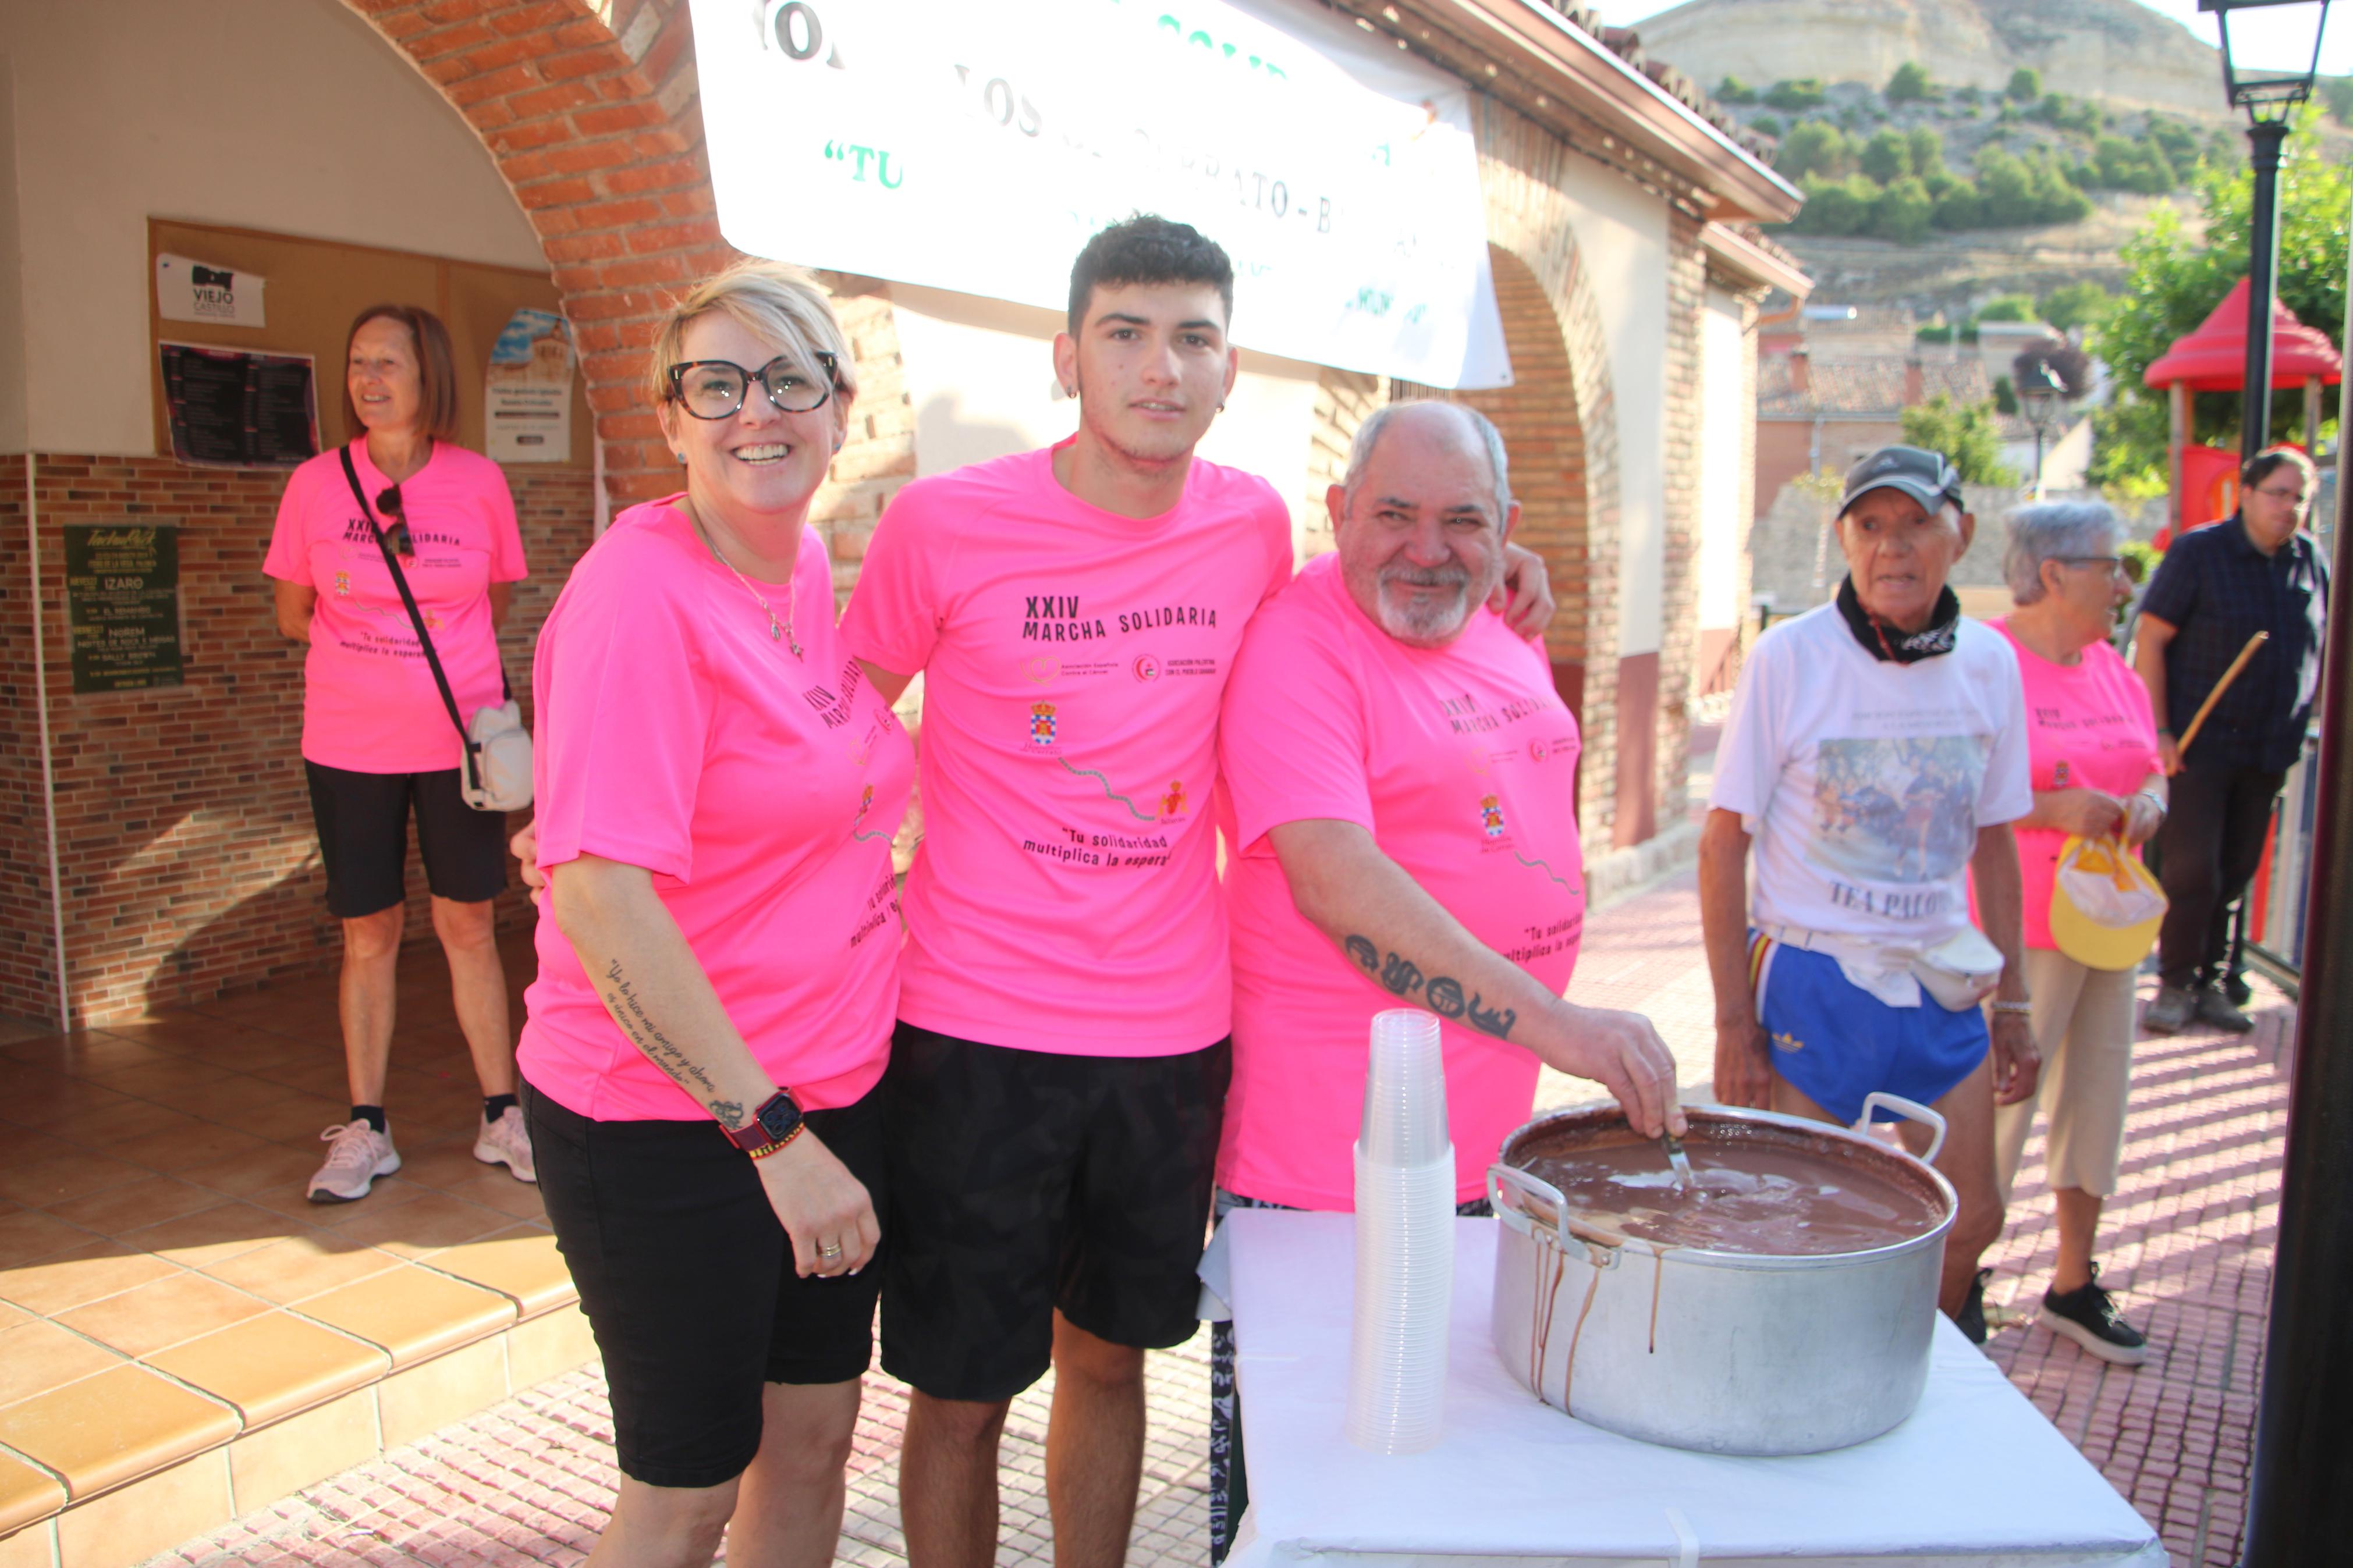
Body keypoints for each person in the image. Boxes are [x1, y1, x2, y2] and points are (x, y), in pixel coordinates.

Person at [839, 217, 1553, 1568]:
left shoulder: (1249, 526)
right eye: (1124, 334)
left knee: (1114, 1366)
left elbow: (1376, 598)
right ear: (1067, 358)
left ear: (1228, 373)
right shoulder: (940, 525)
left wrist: (1497, 569)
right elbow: (832, 719)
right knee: (961, 1396)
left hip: (1170, 1039)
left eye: (1192, 339)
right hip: (972, 1032)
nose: (1158, 368)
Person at [1208, 400, 1684, 1558]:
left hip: (1474, 1156)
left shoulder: (1492, 618)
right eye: (1393, 515)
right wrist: (1558, 1026)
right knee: (1306, 1504)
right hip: (1326, 1180)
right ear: (1337, 514)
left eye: (1461, 521)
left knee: (1438, 1497)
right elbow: (1334, 881)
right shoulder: (1300, 645)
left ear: (1507, 528)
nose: (1425, 549)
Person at [518, 261, 913, 1567]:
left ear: (838, 405)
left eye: (790, 378)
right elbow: (598, 891)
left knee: (808, 1448)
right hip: (676, 1122)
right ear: (670, 416)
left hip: (831, 1088)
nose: (758, 412)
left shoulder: (796, 568)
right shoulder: (639, 596)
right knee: (686, 1490)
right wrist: (772, 1135)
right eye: (718, 384)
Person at [1697, 444, 2039, 1343]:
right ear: (1843, 540)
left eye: (1916, 521)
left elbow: (1996, 839)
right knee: (1791, 1222)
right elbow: (1720, 840)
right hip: (1813, 977)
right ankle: (1791, 1385)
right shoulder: (1788, 656)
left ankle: (1909, 1374)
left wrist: (2017, 1007)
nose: (1893, 546)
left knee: (1970, 1218)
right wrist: (1733, 1021)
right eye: (1870, 525)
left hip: (1940, 978)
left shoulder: (1989, 664)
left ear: (1957, 534)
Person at [264, 303, 533, 1204]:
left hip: (458, 745)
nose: (369, 379)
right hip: (346, 742)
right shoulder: (313, 483)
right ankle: (366, 1128)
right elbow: (293, 611)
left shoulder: (479, 482)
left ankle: (503, 1113)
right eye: (357, 363)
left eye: (388, 363)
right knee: (368, 930)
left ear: (428, 379)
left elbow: (490, 604)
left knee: (467, 923)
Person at [1982, 502, 2166, 1364]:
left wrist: (2150, 803)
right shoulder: (1988, 660)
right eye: (2110, 564)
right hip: (2016, 926)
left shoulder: (2110, 668)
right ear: (2052, 572)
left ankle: (2068, 1279)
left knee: (2096, 1095)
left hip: (2106, 916)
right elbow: (1949, 786)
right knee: (1999, 1106)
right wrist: (2053, 807)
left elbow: (2150, 762)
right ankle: (1957, 1276)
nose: (2122, 583)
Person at [2134, 446, 2328, 1034]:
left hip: (2269, 747)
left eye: (2298, 498)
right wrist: (2160, 730)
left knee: (2238, 868)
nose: (2288, 508)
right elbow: (2149, 640)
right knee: (2192, 869)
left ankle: (2213, 982)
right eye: (2277, 493)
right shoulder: (2198, 552)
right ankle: (2173, 982)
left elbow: (2317, 645)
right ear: (2244, 493)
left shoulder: (2308, 560)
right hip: (2199, 744)